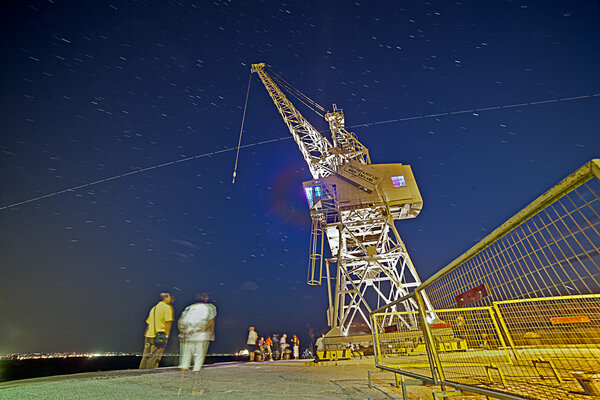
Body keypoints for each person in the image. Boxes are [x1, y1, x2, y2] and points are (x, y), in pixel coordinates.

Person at [177, 293, 217, 395]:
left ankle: (180, 388)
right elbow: (210, 323)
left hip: (187, 337)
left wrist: (183, 332)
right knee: (197, 362)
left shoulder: (189, 308)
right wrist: (199, 331)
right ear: (205, 299)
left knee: (184, 361)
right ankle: (194, 388)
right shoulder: (210, 308)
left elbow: (180, 321)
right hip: (201, 337)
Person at [139, 293, 174, 369]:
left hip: (148, 335)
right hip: (159, 336)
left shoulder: (154, 308)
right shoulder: (167, 307)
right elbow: (168, 323)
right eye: (170, 296)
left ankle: (139, 374)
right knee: (154, 359)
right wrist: (166, 336)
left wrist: (147, 335)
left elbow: (148, 323)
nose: (171, 298)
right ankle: (149, 376)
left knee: (145, 357)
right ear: (166, 297)